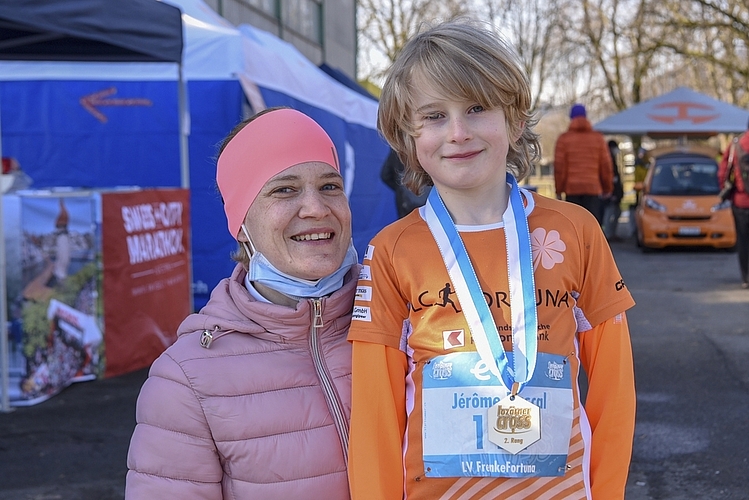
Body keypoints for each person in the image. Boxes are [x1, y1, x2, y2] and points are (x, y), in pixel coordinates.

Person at [347, 19, 636, 500]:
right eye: (434, 116)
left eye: (477, 108)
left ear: (516, 119)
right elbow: (375, 416)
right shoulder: (392, 250)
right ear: (408, 135)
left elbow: (614, 390)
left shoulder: (575, 231)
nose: (458, 133)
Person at [126, 107, 359, 499]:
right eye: (284, 189)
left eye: (330, 186)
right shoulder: (186, 379)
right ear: (241, 223)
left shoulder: (402, 324)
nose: (316, 208)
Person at [554, 103, 614, 224]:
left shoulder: (564, 139)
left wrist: (559, 190)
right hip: (593, 190)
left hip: (572, 190)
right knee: (593, 227)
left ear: (571, 118)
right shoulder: (598, 138)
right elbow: (606, 166)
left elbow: (559, 168)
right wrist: (607, 188)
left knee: (574, 227)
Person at [718, 121, 749, 289]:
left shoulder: (736, 144)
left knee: (743, 241)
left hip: (741, 201)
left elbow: (723, 171)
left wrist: (725, 189)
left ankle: (746, 278)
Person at [380, 147, 431, 218]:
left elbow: (385, 176)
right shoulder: (427, 146)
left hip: (405, 204)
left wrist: (401, 189)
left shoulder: (396, 149)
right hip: (429, 202)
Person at [602, 140, 625, 241]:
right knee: (610, 213)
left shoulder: (611, 159)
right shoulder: (608, 160)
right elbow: (610, 178)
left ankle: (611, 233)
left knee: (615, 212)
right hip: (611, 194)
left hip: (614, 193)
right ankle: (608, 234)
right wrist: (611, 192)